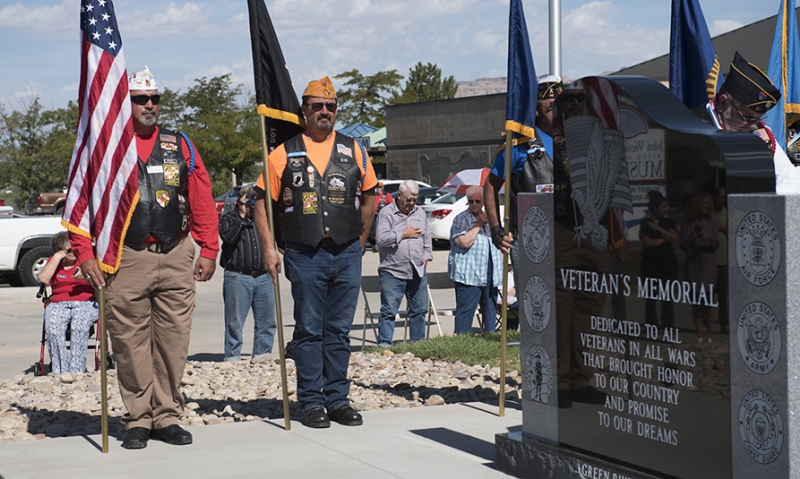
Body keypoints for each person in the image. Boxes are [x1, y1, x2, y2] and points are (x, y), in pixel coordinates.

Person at [72, 67, 219, 449]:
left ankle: (167, 414)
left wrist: (208, 247)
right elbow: (82, 205)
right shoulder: (105, 149)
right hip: (125, 258)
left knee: (173, 339)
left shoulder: (180, 144)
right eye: (140, 99)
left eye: (154, 98)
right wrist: (85, 253)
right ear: (125, 104)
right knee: (129, 342)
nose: (149, 105)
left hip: (175, 254)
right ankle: (138, 418)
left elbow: (201, 196)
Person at [253, 76, 377, 429]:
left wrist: (361, 239)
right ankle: (311, 401)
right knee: (308, 329)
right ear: (304, 110)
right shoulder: (283, 152)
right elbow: (261, 201)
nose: (325, 112)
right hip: (305, 254)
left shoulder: (354, 149)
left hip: (346, 251)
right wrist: (268, 249)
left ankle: (337, 399)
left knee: (338, 330)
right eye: (317, 106)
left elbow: (370, 195)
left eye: (331, 106)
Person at [693, 51, 800, 194]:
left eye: (758, 119)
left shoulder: (761, 133)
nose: (754, 126)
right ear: (724, 103)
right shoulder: (692, 129)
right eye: (747, 118)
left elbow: (787, 174)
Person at [219, 185, 276, 363]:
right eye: (248, 202)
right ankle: (233, 357)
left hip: (263, 275)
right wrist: (242, 216)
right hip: (237, 276)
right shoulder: (229, 218)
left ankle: (262, 355)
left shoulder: (264, 220)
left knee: (266, 321)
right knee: (234, 322)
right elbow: (228, 238)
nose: (251, 207)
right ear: (240, 202)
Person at [374, 180, 432, 347]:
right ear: (399, 196)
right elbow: (381, 239)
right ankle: (385, 344)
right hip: (392, 270)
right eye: (409, 200)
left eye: (415, 199)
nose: (412, 203)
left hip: (417, 269)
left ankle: (418, 345)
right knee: (389, 310)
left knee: (419, 310)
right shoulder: (386, 213)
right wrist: (403, 234)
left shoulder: (419, 212)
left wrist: (426, 257)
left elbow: (427, 237)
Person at [37, 231, 98, 375]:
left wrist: (87, 277)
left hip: (86, 300)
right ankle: (61, 371)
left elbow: (101, 283)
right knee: (53, 328)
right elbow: (44, 279)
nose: (73, 253)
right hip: (58, 302)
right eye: (68, 250)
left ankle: (77, 371)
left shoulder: (85, 261)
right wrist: (57, 258)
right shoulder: (55, 261)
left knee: (79, 327)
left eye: (75, 249)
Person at [448, 186, 502, 334]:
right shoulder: (461, 219)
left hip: (490, 275)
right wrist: (478, 224)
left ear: (484, 202)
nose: (474, 204)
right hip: (469, 277)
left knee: (490, 312)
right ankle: (461, 342)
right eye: (471, 201)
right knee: (465, 311)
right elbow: (464, 242)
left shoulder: (492, 218)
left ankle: (490, 341)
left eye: (478, 201)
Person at [680, 193, 719, 343]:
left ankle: (709, 334)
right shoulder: (688, 222)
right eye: (703, 203)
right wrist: (691, 239)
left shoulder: (711, 221)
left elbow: (716, 245)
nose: (705, 206)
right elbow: (683, 246)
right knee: (696, 300)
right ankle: (699, 335)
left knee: (709, 300)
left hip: (708, 262)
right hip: (693, 263)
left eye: (708, 204)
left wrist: (709, 238)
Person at [638, 191, 679, 329]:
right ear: (655, 208)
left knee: (667, 297)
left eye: (667, 207)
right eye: (663, 207)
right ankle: (651, 325)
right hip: (651, 265)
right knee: (651, 298)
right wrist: (665, 238)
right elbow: (647, 243)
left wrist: (659, 230)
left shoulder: (668, 222)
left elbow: (675, 238)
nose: (665, 210)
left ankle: (668, 325)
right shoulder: (646, 223)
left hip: (667, 264)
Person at [713, 186, 729, 335]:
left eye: (723, 197)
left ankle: (724, 323)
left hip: (724, 260)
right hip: (709, 260)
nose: (720, 200)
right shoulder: (708, 214)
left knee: (724, 295)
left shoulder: (728, 215)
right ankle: (706, 323)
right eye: (719, 196)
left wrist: (722, 228)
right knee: (708, 294)